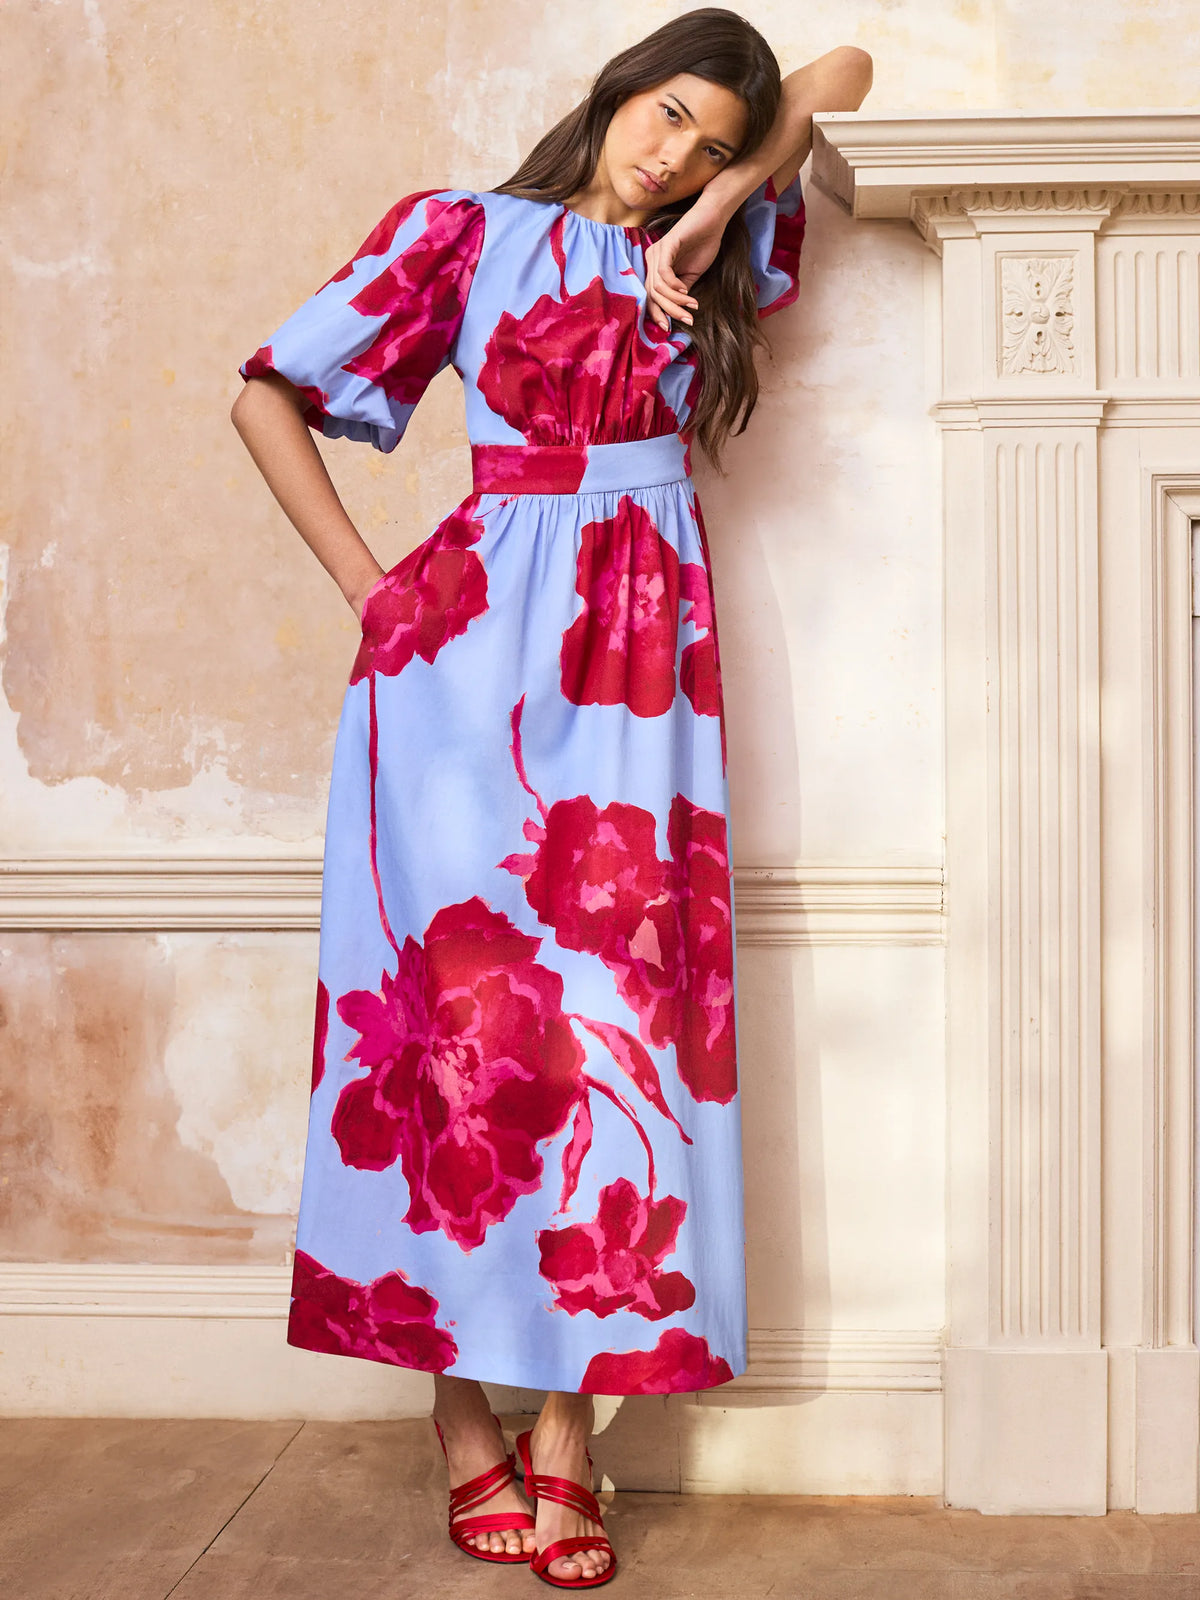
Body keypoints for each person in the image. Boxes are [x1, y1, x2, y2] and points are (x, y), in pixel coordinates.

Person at [231, 8, 872, 1588]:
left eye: (710, 142)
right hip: (460, 669)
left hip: (642, 667)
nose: (673, 154)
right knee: (450, 1033)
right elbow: (266, 395)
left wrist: (720, 208)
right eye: (666, 116)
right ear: (614, 93)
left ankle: (573, 1432)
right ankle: (462, 1417)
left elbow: (843, 75)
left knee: (616, 1032)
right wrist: (376, 593)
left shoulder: (712, 247)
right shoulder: (467, 231)